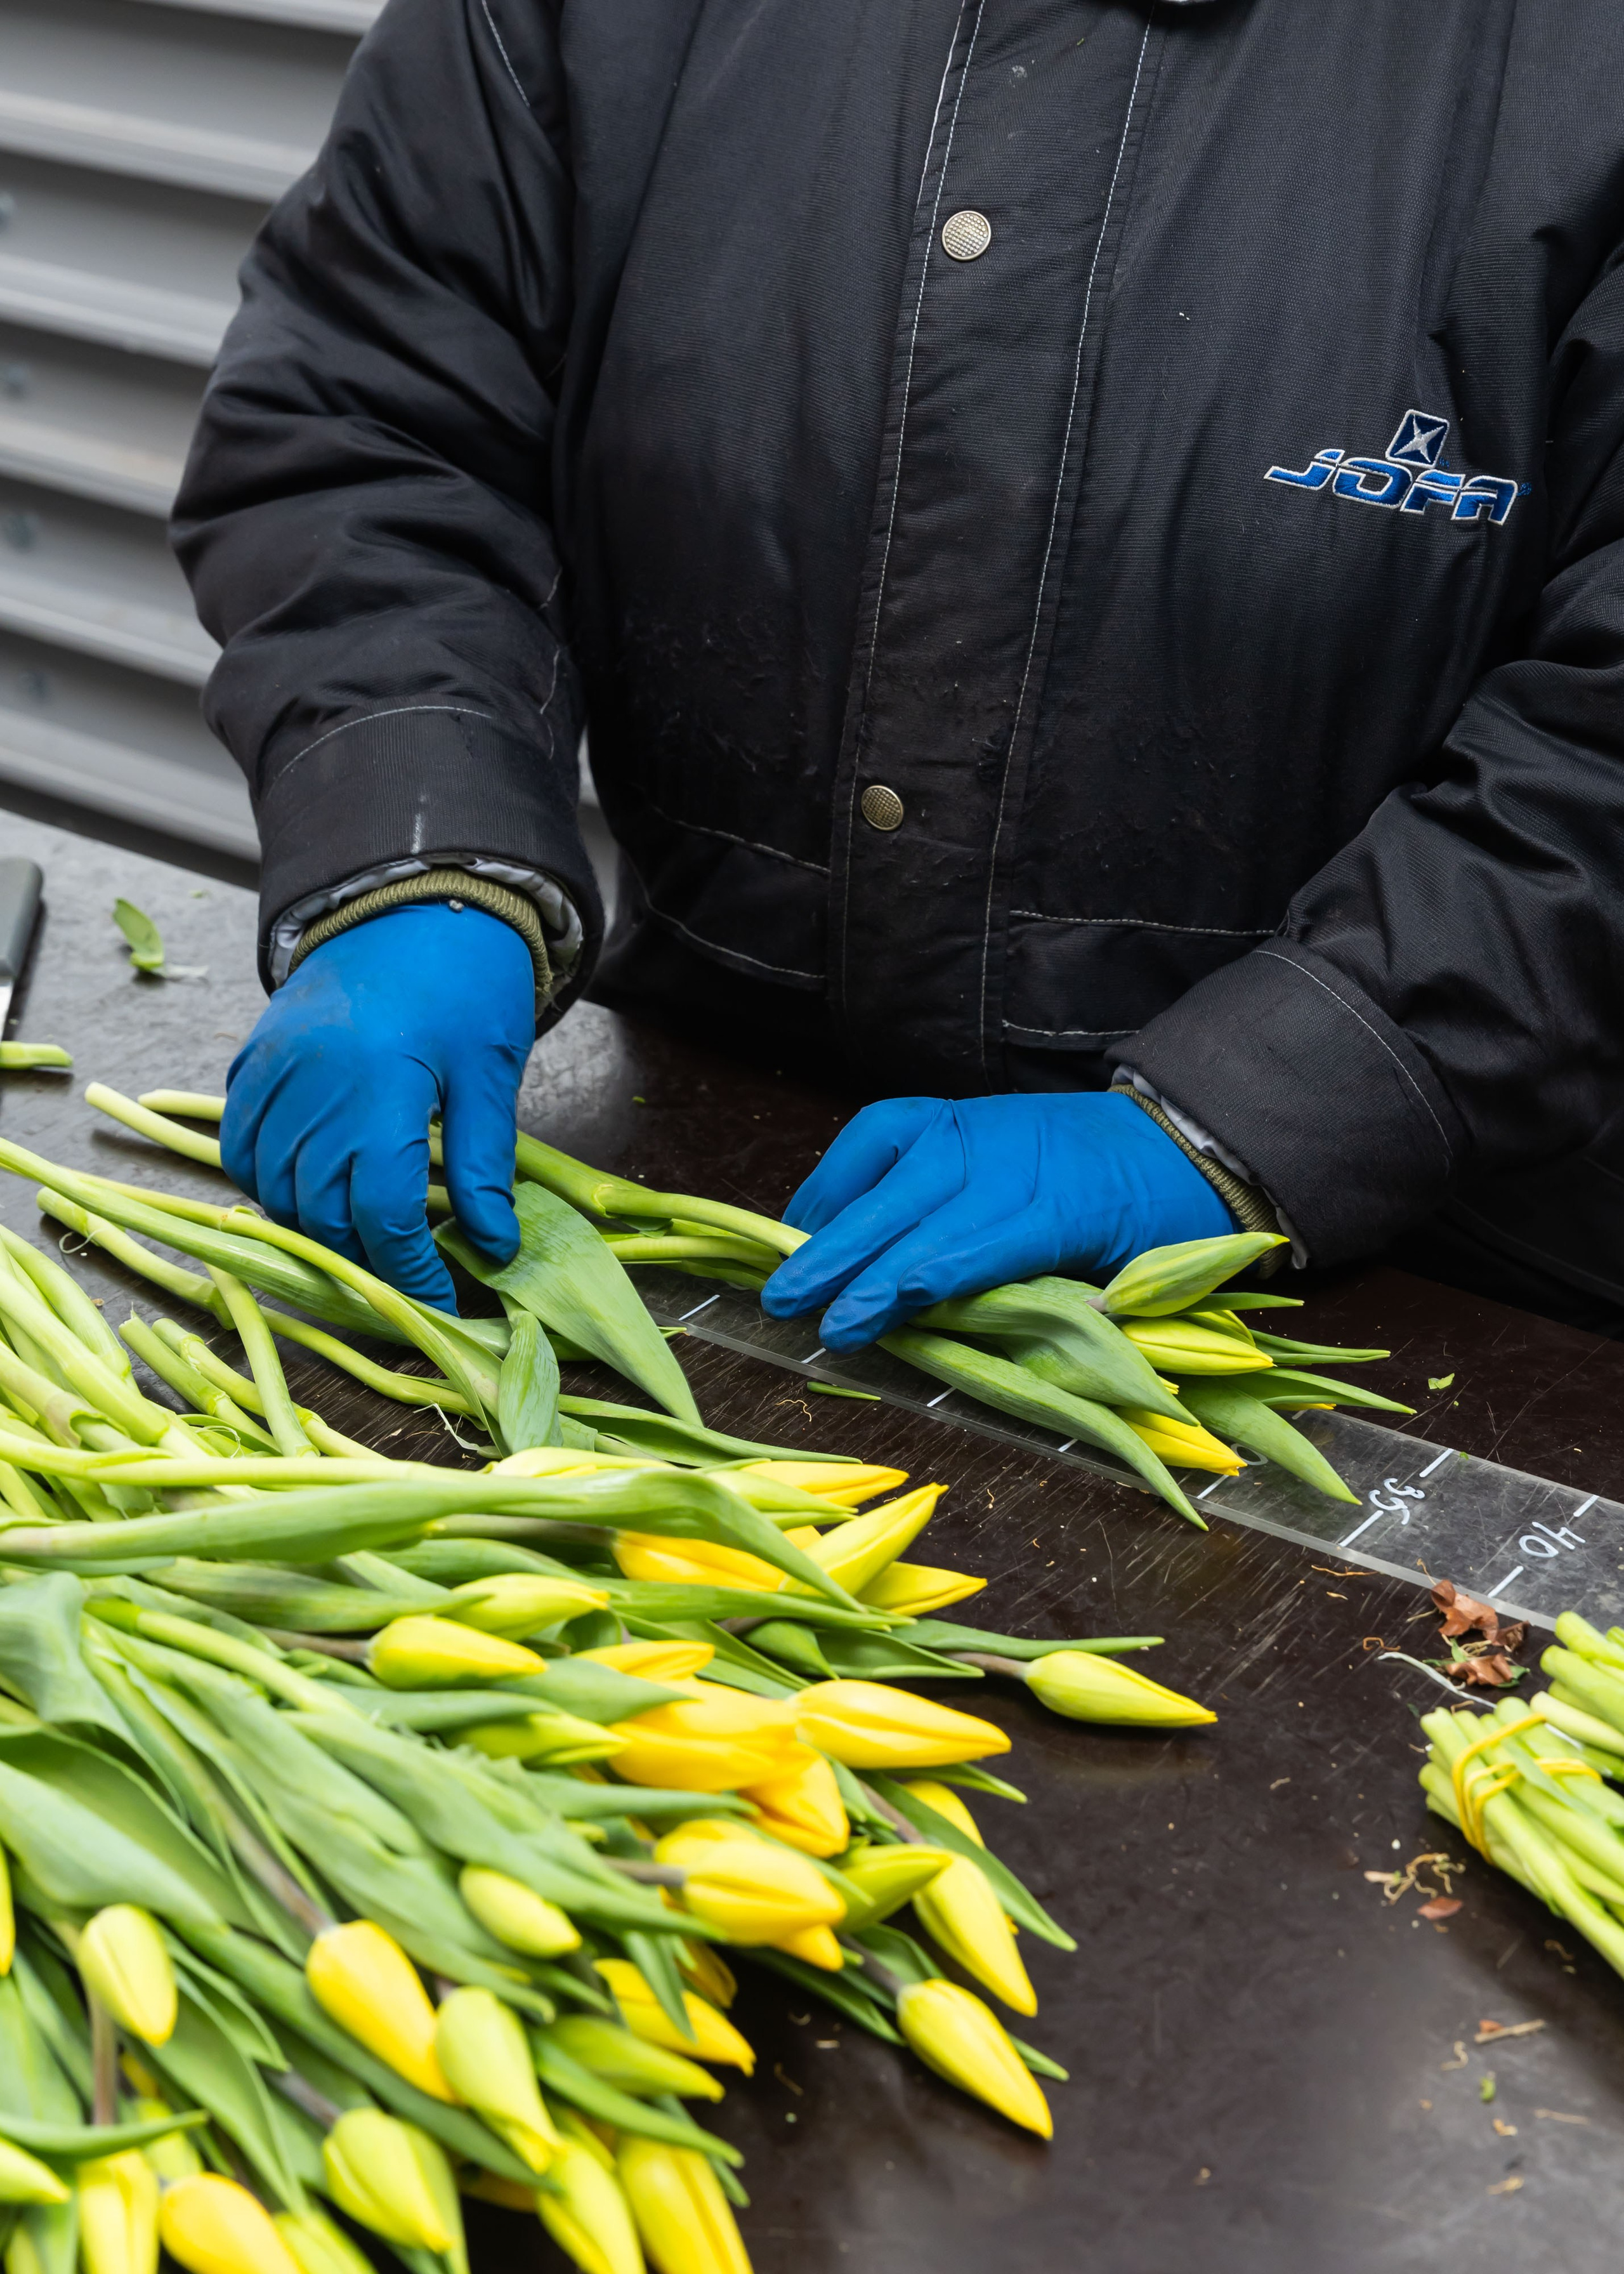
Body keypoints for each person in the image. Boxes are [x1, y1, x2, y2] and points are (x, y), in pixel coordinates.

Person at [174, 0, 1624, 1346]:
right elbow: (374, 414)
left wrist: (1284, 1099)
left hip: (1444, 1276)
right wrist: (418, 843)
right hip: (727, 1170)